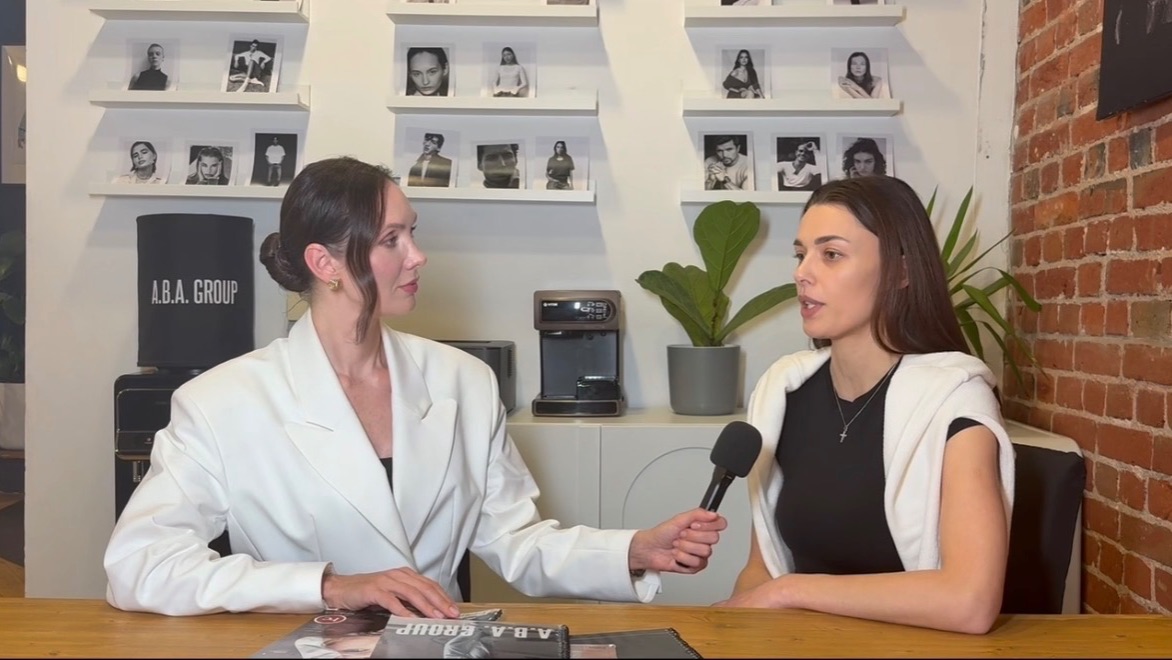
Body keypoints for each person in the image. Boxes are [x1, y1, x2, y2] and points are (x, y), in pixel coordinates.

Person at [103, 156, 726, 616]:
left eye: (413, 232)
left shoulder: (465, 382)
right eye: (391, 240)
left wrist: (634, 551)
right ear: (325, 264)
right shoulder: (221, 403)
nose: (418, 256)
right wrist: (326, 586)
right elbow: (137, 566)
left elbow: (514, 541)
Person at [715, 176, 1015, 635]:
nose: (802, 273)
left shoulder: (952, 402)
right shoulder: (781, 393)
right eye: (800, 255)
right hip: (802, 644)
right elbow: (762, 569)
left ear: (901, 272)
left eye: (831, 254)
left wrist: (791, 591)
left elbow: (970, 602)